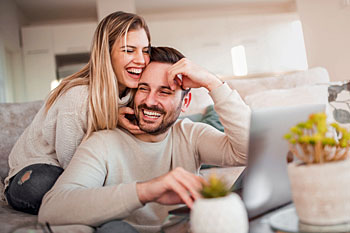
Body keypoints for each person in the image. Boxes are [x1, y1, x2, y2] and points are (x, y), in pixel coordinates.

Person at [38, 47, 251, 233]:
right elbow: (52, 209)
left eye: (165, 91)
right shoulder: (103, 142)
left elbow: (247, 151)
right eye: (143, 88)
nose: (149, 101)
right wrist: (147, 190)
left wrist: (213, 83)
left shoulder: (191, 134)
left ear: (185, 102)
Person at [4, 11, 151, 215]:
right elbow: (73, 165)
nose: (141, 60)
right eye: (129, 50)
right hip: (38, 168)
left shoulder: (136, 94)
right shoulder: (78, 96)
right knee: (41, 184)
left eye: (145, 50)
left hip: (85, 173)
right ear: (106, 54)